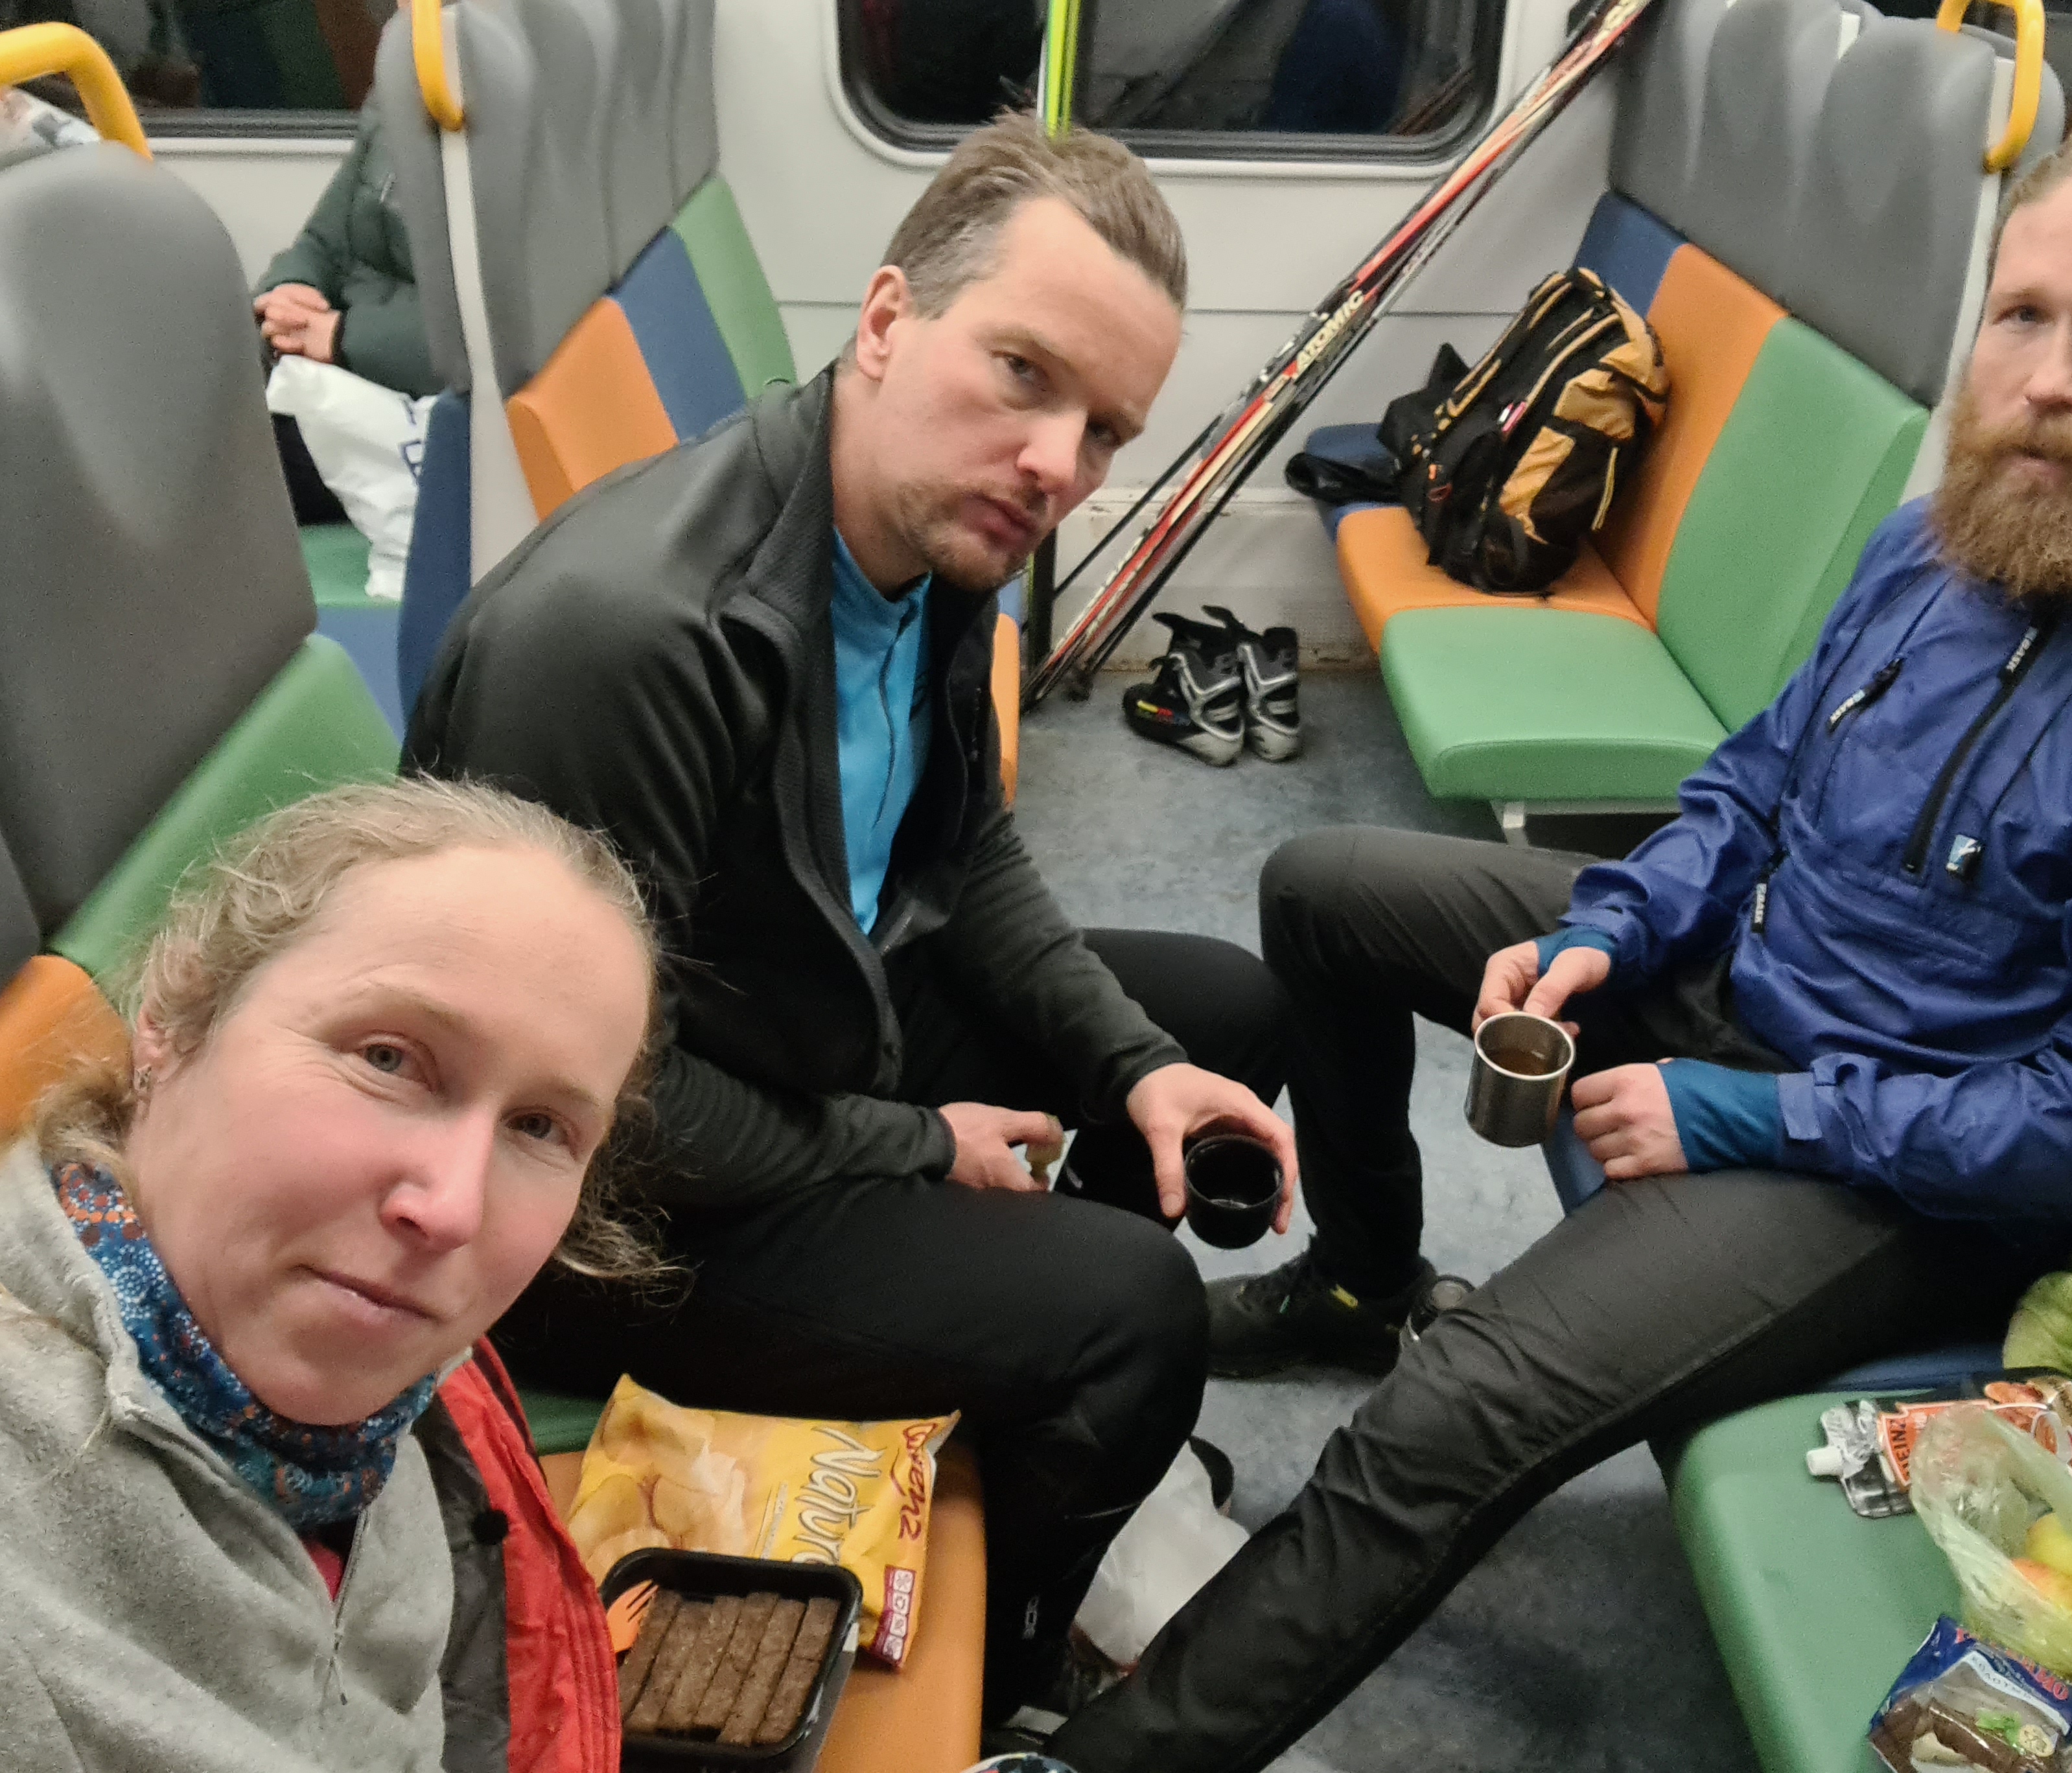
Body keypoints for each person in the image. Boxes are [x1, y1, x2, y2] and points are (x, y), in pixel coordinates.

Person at [1046, 113, 2072, 1773]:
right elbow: (1750, 787)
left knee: (1452, 1415)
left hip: (1906, 1170)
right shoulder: (1939, 544)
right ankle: (1361, 1278)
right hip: (1737, 985)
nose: (2050, 377)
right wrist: (1614, 922)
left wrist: (1739, 1113)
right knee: (1322, 888)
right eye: (2022, 314)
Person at [402, 113, 1297, 1737]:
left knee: (1218, 1017)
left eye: (1103, 429)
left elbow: (965, 850)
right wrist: (914, 1144)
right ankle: (1015, 1660)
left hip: (790, 1017)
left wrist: (1138, 1067)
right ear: (887, 319)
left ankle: (1014, 1389)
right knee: (1134, 1317)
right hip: (604, 1209)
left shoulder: (934, 531)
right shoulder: (626, 641)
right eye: (1022, 374)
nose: (1058, 464)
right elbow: (589, 1114)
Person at [0, 778, 660, 1772]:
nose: (452, 1209)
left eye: (539, 1126)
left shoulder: (382, 1409)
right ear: (174, 1015)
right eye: (387, 1059)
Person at [253, 87, 441, 526]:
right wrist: (291, 289)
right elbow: (324, 241)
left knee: (216, 453)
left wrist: (343, 337)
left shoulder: (552, 130)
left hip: (430, 400)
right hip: (337, 362)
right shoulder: (401, 91)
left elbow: (514, 330)